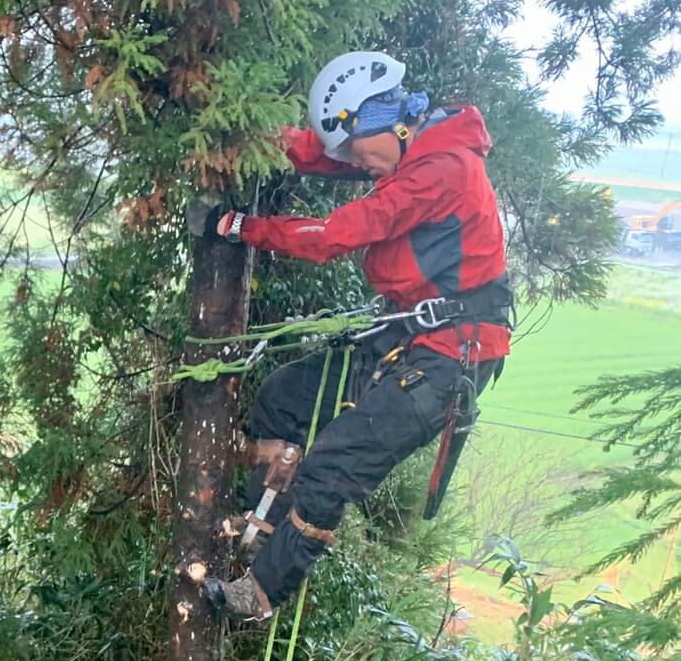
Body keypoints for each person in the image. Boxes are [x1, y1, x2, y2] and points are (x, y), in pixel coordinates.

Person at [202, 50, 512, 621]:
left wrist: (246, 229)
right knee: (284, 397)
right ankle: (264, 516)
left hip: (449, 355)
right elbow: (329, 154)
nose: (356, 164)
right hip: (407, 336)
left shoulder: (443, 169)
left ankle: (261, 592)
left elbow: (338, 234)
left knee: (332, 466)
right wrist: (259, 133)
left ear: (385, 124)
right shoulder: (407, 147)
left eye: (358, 150)